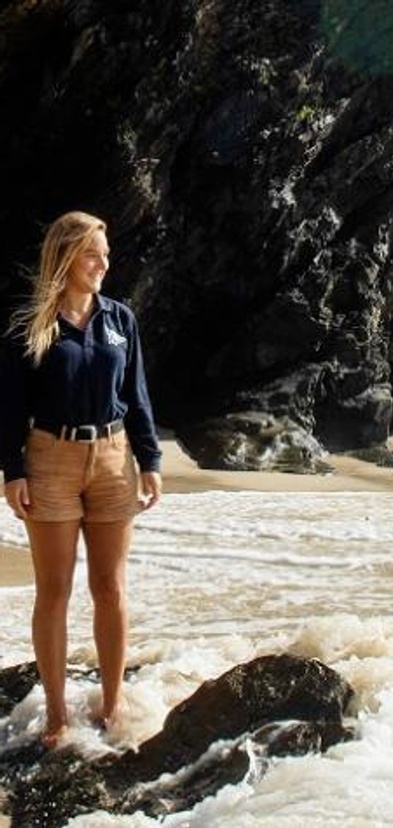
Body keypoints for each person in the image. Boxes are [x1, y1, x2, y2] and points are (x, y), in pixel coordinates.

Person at [0, 210, 162, 748]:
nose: (103, 264)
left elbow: (136, 396)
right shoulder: (31, 326)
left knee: (110, 588)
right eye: (94, 254)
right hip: (50, 459)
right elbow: (8, 407)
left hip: (115, 459)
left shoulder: (120, 320)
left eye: (106, 254)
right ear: (68, 256)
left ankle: (113, 706)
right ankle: (56, 716)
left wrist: (151, 461)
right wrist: (12, 472)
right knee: (55, 591)